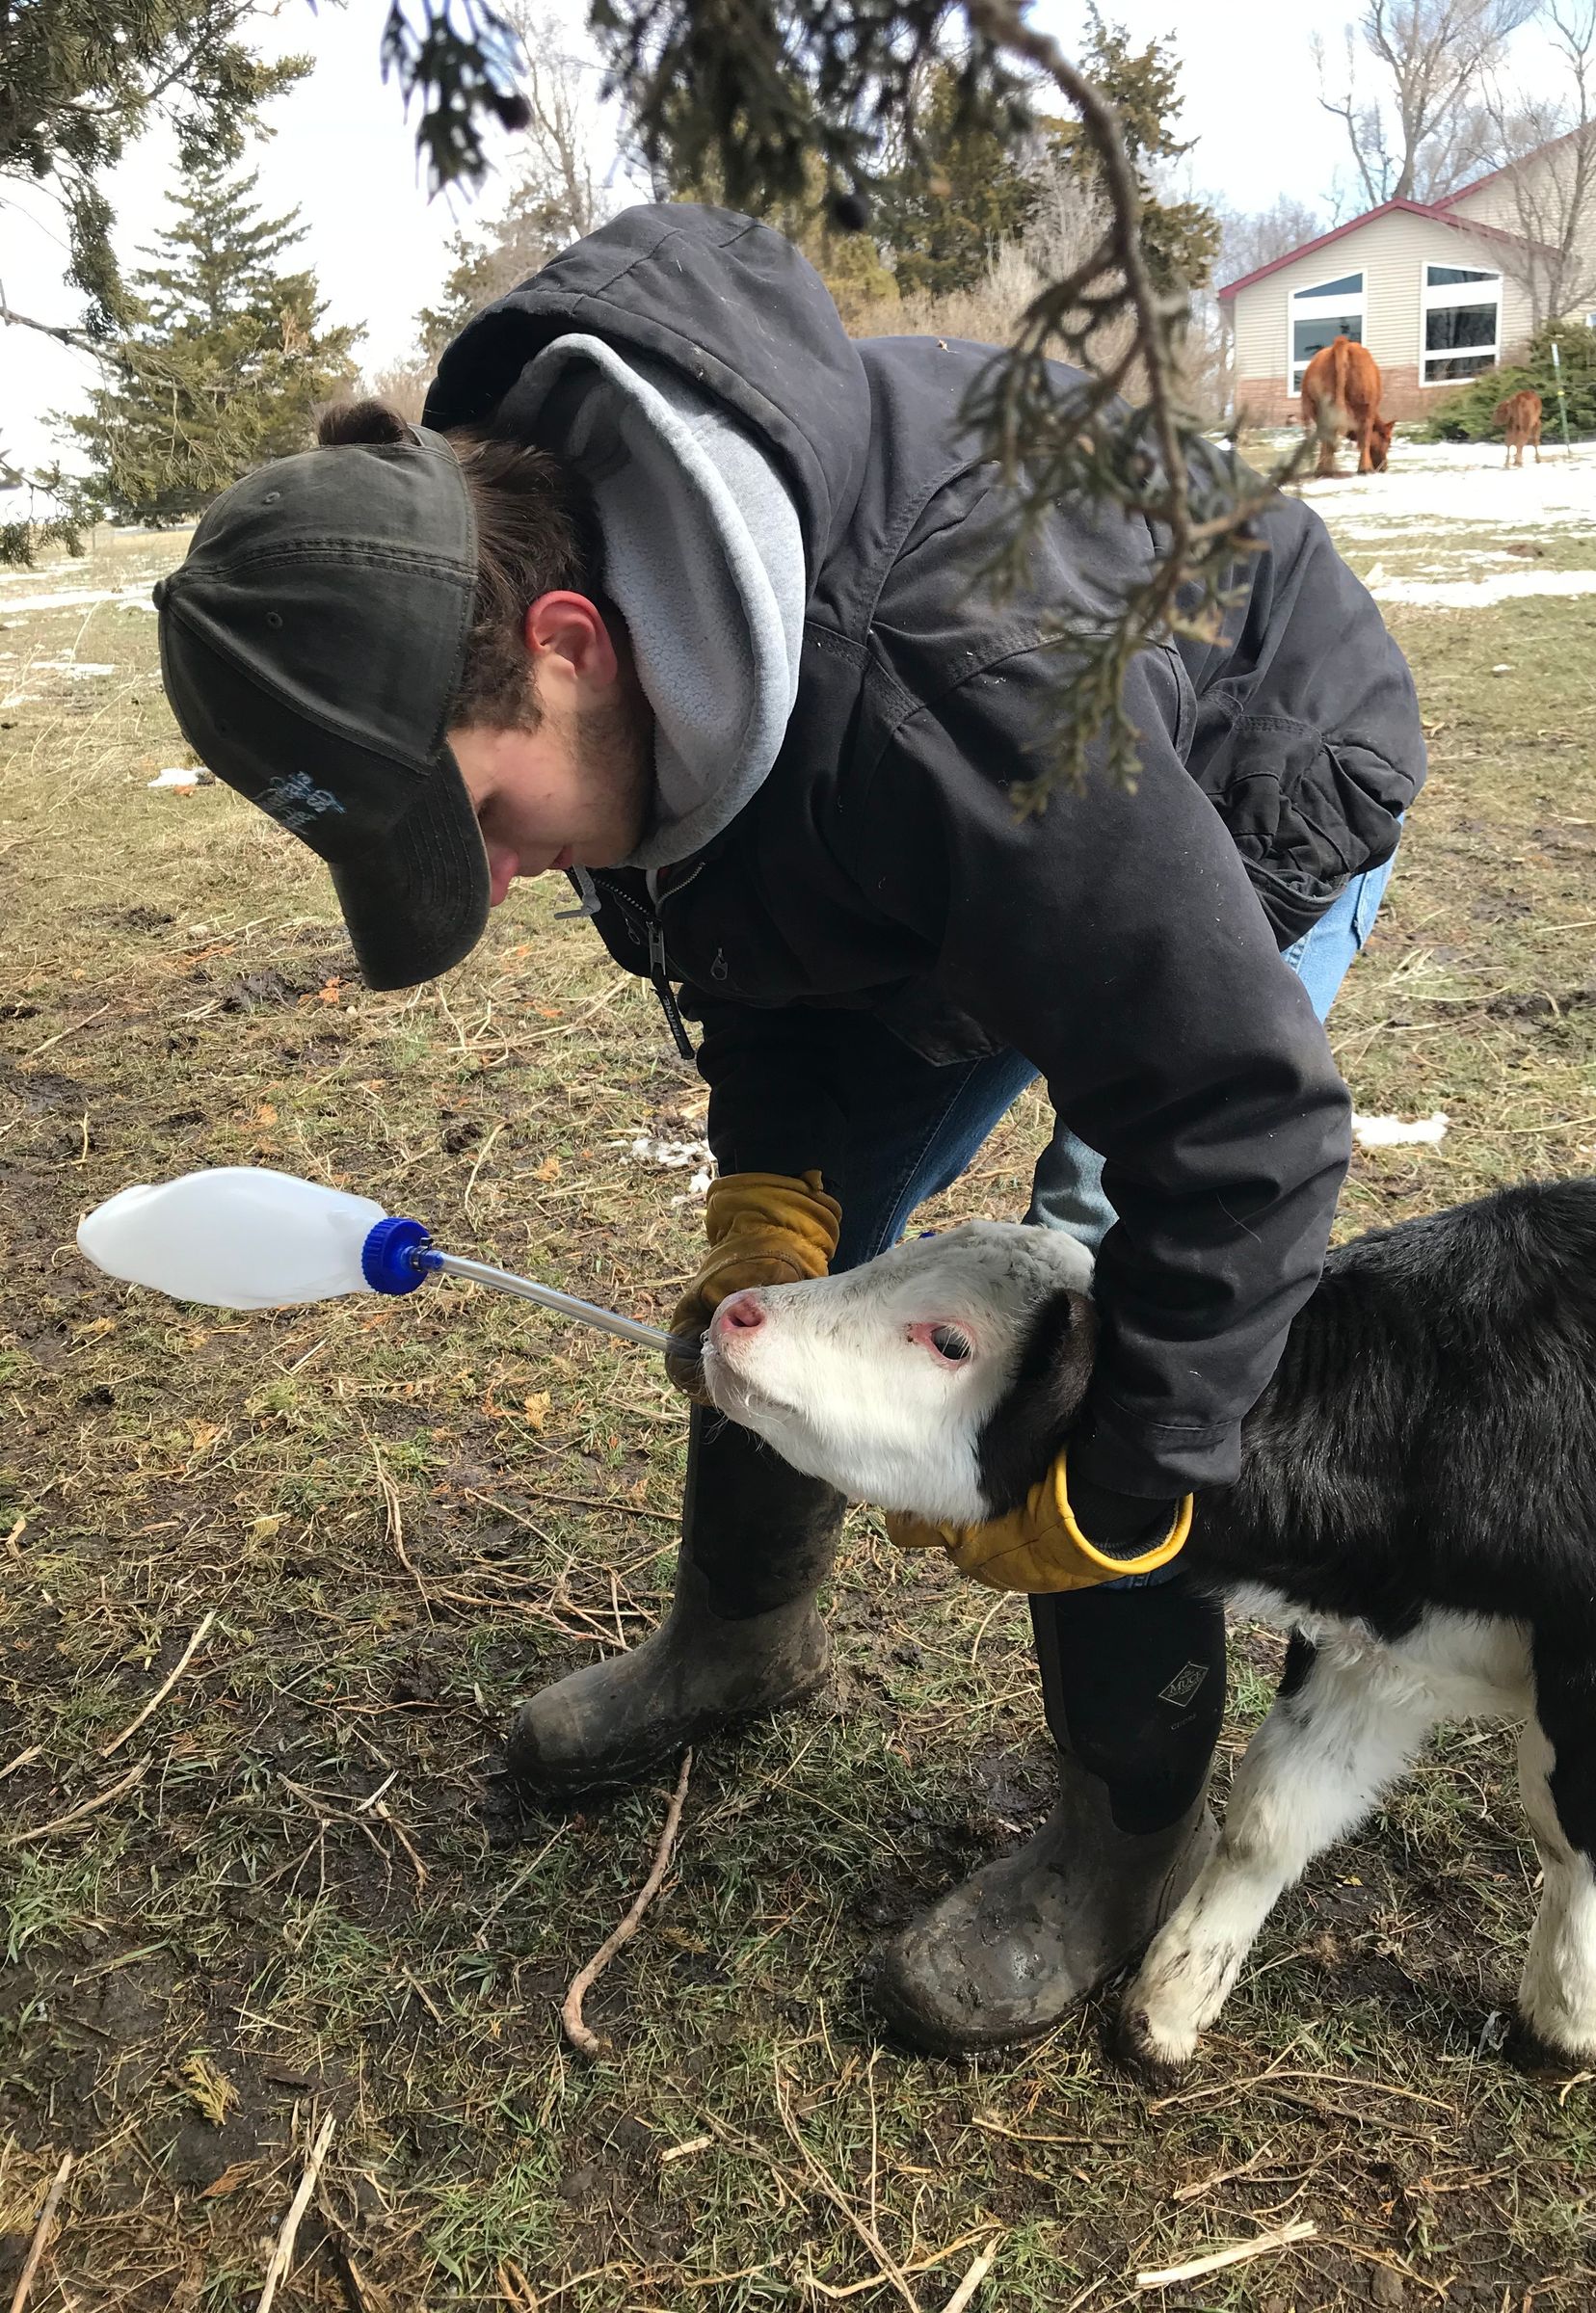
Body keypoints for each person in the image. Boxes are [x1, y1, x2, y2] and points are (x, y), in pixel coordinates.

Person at [154, 202, 1425, 2054]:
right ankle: (744, 1637)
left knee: (1101, 1301)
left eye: (489, 828)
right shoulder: (611, 650)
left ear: (572, 644)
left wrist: (1127, 1481)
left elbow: (1229, 1119)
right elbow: (741, 939)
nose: (497, 886)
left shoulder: (959, 685)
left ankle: (1120, 1837)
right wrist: (771, 1203)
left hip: (1222, 785)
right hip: (941, 849)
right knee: (794, 1256)